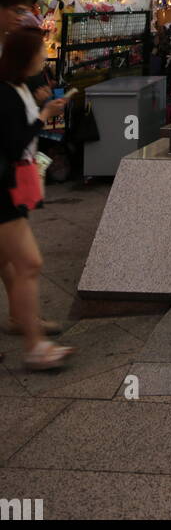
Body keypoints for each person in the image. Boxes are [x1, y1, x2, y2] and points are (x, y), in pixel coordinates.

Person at [0, 28, 74, 368]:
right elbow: (14, 143)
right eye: (39, 52)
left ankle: (23, 323)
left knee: (10, 263)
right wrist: (44, 116)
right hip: (3, 190)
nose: (44, 56)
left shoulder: (17, 88)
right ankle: (35, 346)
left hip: (12, 185)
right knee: (30, 263)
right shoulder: (6, 93)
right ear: (24, 56)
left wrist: (45, 107)